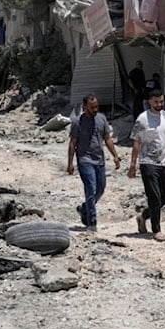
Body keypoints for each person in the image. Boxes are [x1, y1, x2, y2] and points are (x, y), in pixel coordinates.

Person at [128, 89, 165, 241]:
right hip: (148, 162)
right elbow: (137, 142)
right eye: (156, 102)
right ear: (150, 101)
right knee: (155, 197)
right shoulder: (142, 119)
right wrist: (133, 165)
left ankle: (143, 216)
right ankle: (156, 230)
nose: (159, 104)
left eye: (161, 102)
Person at [67, 94, 121, 231]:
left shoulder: (102, 119)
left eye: (96, 106)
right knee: (90, 188)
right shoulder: (77, 122)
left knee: (101, 188)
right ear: (84, 107)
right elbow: (73, 143)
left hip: (99, 160)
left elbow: (107, 138)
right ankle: (92, 221)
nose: (95, 109)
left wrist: (115, 155)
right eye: (92, 107)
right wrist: (70, 163)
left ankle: (85, 207)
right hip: (85, 159)